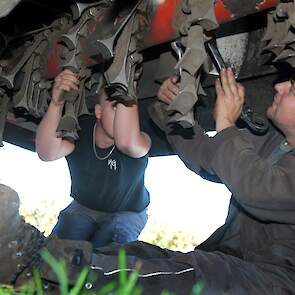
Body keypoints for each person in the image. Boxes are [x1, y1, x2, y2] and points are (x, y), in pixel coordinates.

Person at [3, 67, 295, 294]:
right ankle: (43, 276)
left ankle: (33, 263)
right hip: (237, 257)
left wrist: (226, 126)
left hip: (278, 278)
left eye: (292, 86)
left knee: (188, 276)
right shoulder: (272, 141)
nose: (279, 85)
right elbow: (208, 157)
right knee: (137, 255)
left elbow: (262, 191)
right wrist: (174, 113)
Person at [35, 69, 151, 248]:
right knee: (58, 251)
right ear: (98, 111)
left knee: (110, 253)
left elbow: (127, 142)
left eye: (125, 107)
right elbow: (47, 152)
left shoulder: (139, 138)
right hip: (83, 206)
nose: (121, 114)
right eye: (115, 105)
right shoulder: (81, 130)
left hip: (128, 212)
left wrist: (128, 83)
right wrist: (57, 103)